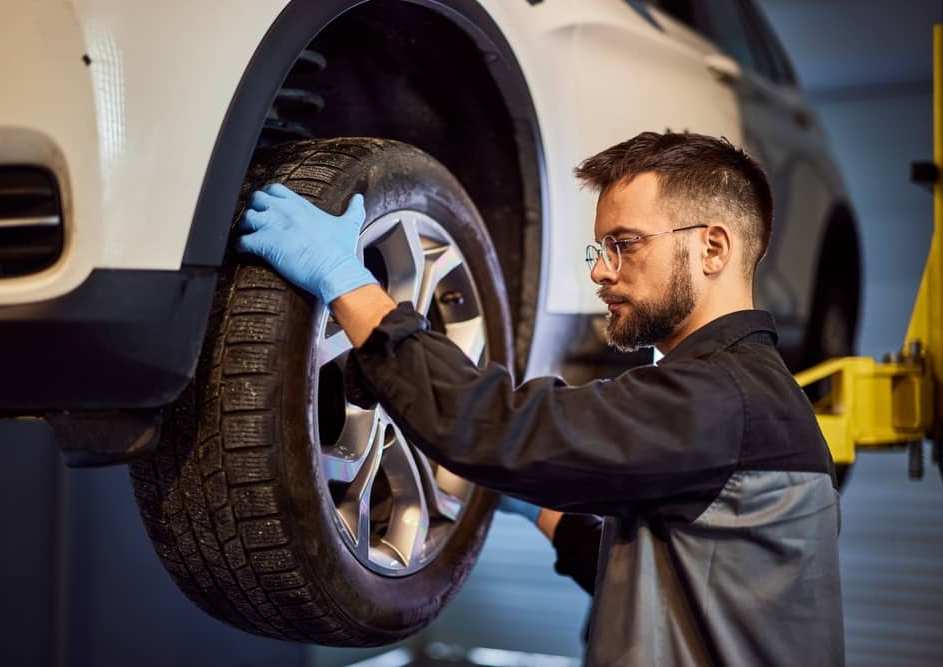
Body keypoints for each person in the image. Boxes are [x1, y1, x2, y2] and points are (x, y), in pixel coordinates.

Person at [236, 131, 844, 666]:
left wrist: (351, 285)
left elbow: (499, 429)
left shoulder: (724, 398)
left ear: (713, 248)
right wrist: (543, 514)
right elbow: (678, 581)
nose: (601, 272)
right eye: (599, 249)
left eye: (625, 244)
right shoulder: (750, 398)